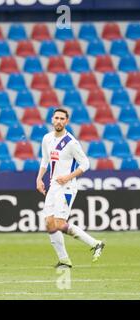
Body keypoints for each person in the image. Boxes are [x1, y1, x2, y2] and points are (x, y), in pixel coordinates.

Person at [36, 108, 105, 268]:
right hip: (53, 185)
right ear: (52, 119)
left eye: (62, 119)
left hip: (67, 187)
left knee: (59, 223)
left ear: (66, 122)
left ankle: (95, 243)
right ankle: (64, 260)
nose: (59, 121)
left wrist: (67, 177)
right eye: (57, 118)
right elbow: (45, 160)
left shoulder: (71, 143)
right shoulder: (47, 138)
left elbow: (86, 164)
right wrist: (39, 178)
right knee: (49, 223)